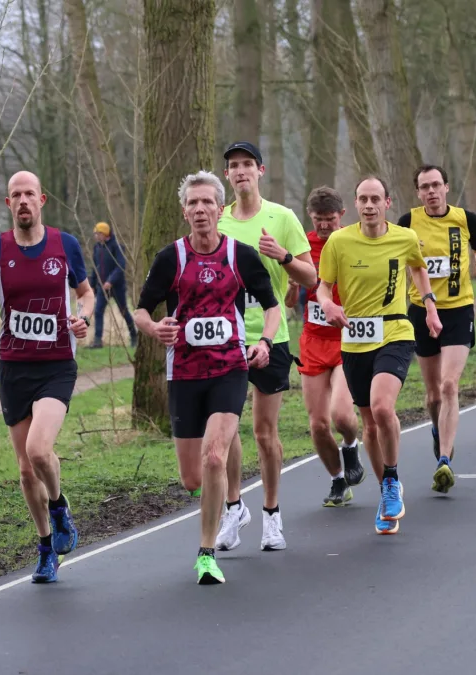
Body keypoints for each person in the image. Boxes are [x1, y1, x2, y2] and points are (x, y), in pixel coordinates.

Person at [134, 171, 281, 584]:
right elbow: (141, 310)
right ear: (185, 212)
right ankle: (228, 495)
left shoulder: (241, 255)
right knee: (192, 477)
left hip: (229, 369)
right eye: (193, 204)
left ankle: (206, 552)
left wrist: (265, 343)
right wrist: (153, 329)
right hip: (183, 373)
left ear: (220, 209)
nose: (200, 210)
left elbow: (273, 307)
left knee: (214, 455)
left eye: (207, 203)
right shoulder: (171, 258)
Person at [0, 171, 94, 584]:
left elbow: (87, 293)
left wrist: (82, 318)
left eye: (29, 194)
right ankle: (45, 548)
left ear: (42, 200)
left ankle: (59, 507)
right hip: (14, 367)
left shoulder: (64, 244)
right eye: (15, 195)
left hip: (56, 364)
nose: (22, 201)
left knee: (39, 451)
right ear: (8, 204)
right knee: (24, 470)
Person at [317, 176, 442, 534]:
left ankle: (391, 480)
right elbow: (323, 287)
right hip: (355, 340)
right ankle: (386, 492)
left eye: (375, 199)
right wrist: (327, 305)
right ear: (355, 205)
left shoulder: (403, 238)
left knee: (383, 407)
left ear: (388, 203)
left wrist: (429, 307)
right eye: (362, 199)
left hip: (395, 331)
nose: (369, 205)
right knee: (369, 423)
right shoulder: (339, 242)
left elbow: (417, 266)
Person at [215, 141, 316, 553]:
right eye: (233, 166)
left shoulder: (282, 217)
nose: (240, 172)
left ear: (261, 170)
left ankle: (272, 515)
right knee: (226, 428)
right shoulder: (217, 219)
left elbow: (311, 277)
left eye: (247, 165)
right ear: (227, 176)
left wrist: (284, 255)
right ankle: (234, 506)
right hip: (227, 337)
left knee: (264, 431)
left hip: (271, 337)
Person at [396, 165, 476, 493]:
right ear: (418, 193)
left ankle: (444, 461)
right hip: (420, 311)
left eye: (437, 185)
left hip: (459, 309)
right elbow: (393, 258)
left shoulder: (466, 219)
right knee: (433, 394)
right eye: (425, 187)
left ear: (447, 187)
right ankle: (438, 430)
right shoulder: (407, 223)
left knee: (450, 385)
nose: (432, 191)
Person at [293, 186, 365, 507]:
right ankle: (338, 480)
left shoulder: (353, 240)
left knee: (341, 416)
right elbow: (289, 288)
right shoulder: (302, 246)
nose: (324, 225)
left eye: (330, 219)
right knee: (318, 424)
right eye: (319, 219)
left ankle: (350, 445)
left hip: (347, 340)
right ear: (311, 217)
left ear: (342, 216)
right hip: (312, 339)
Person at [88, 221, 138, 349]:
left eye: (98, 233)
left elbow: (121, 266)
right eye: (95, 234)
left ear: (105, 234)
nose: (96, 236)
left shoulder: (116, 246)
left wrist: (110, 281)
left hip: (117, 287)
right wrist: (92, 284)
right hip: (101, 287)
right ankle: (97, 341)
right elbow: (95, 267)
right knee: (98, 312)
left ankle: (134, 337)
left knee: (123, 311)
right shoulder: (97, 248)